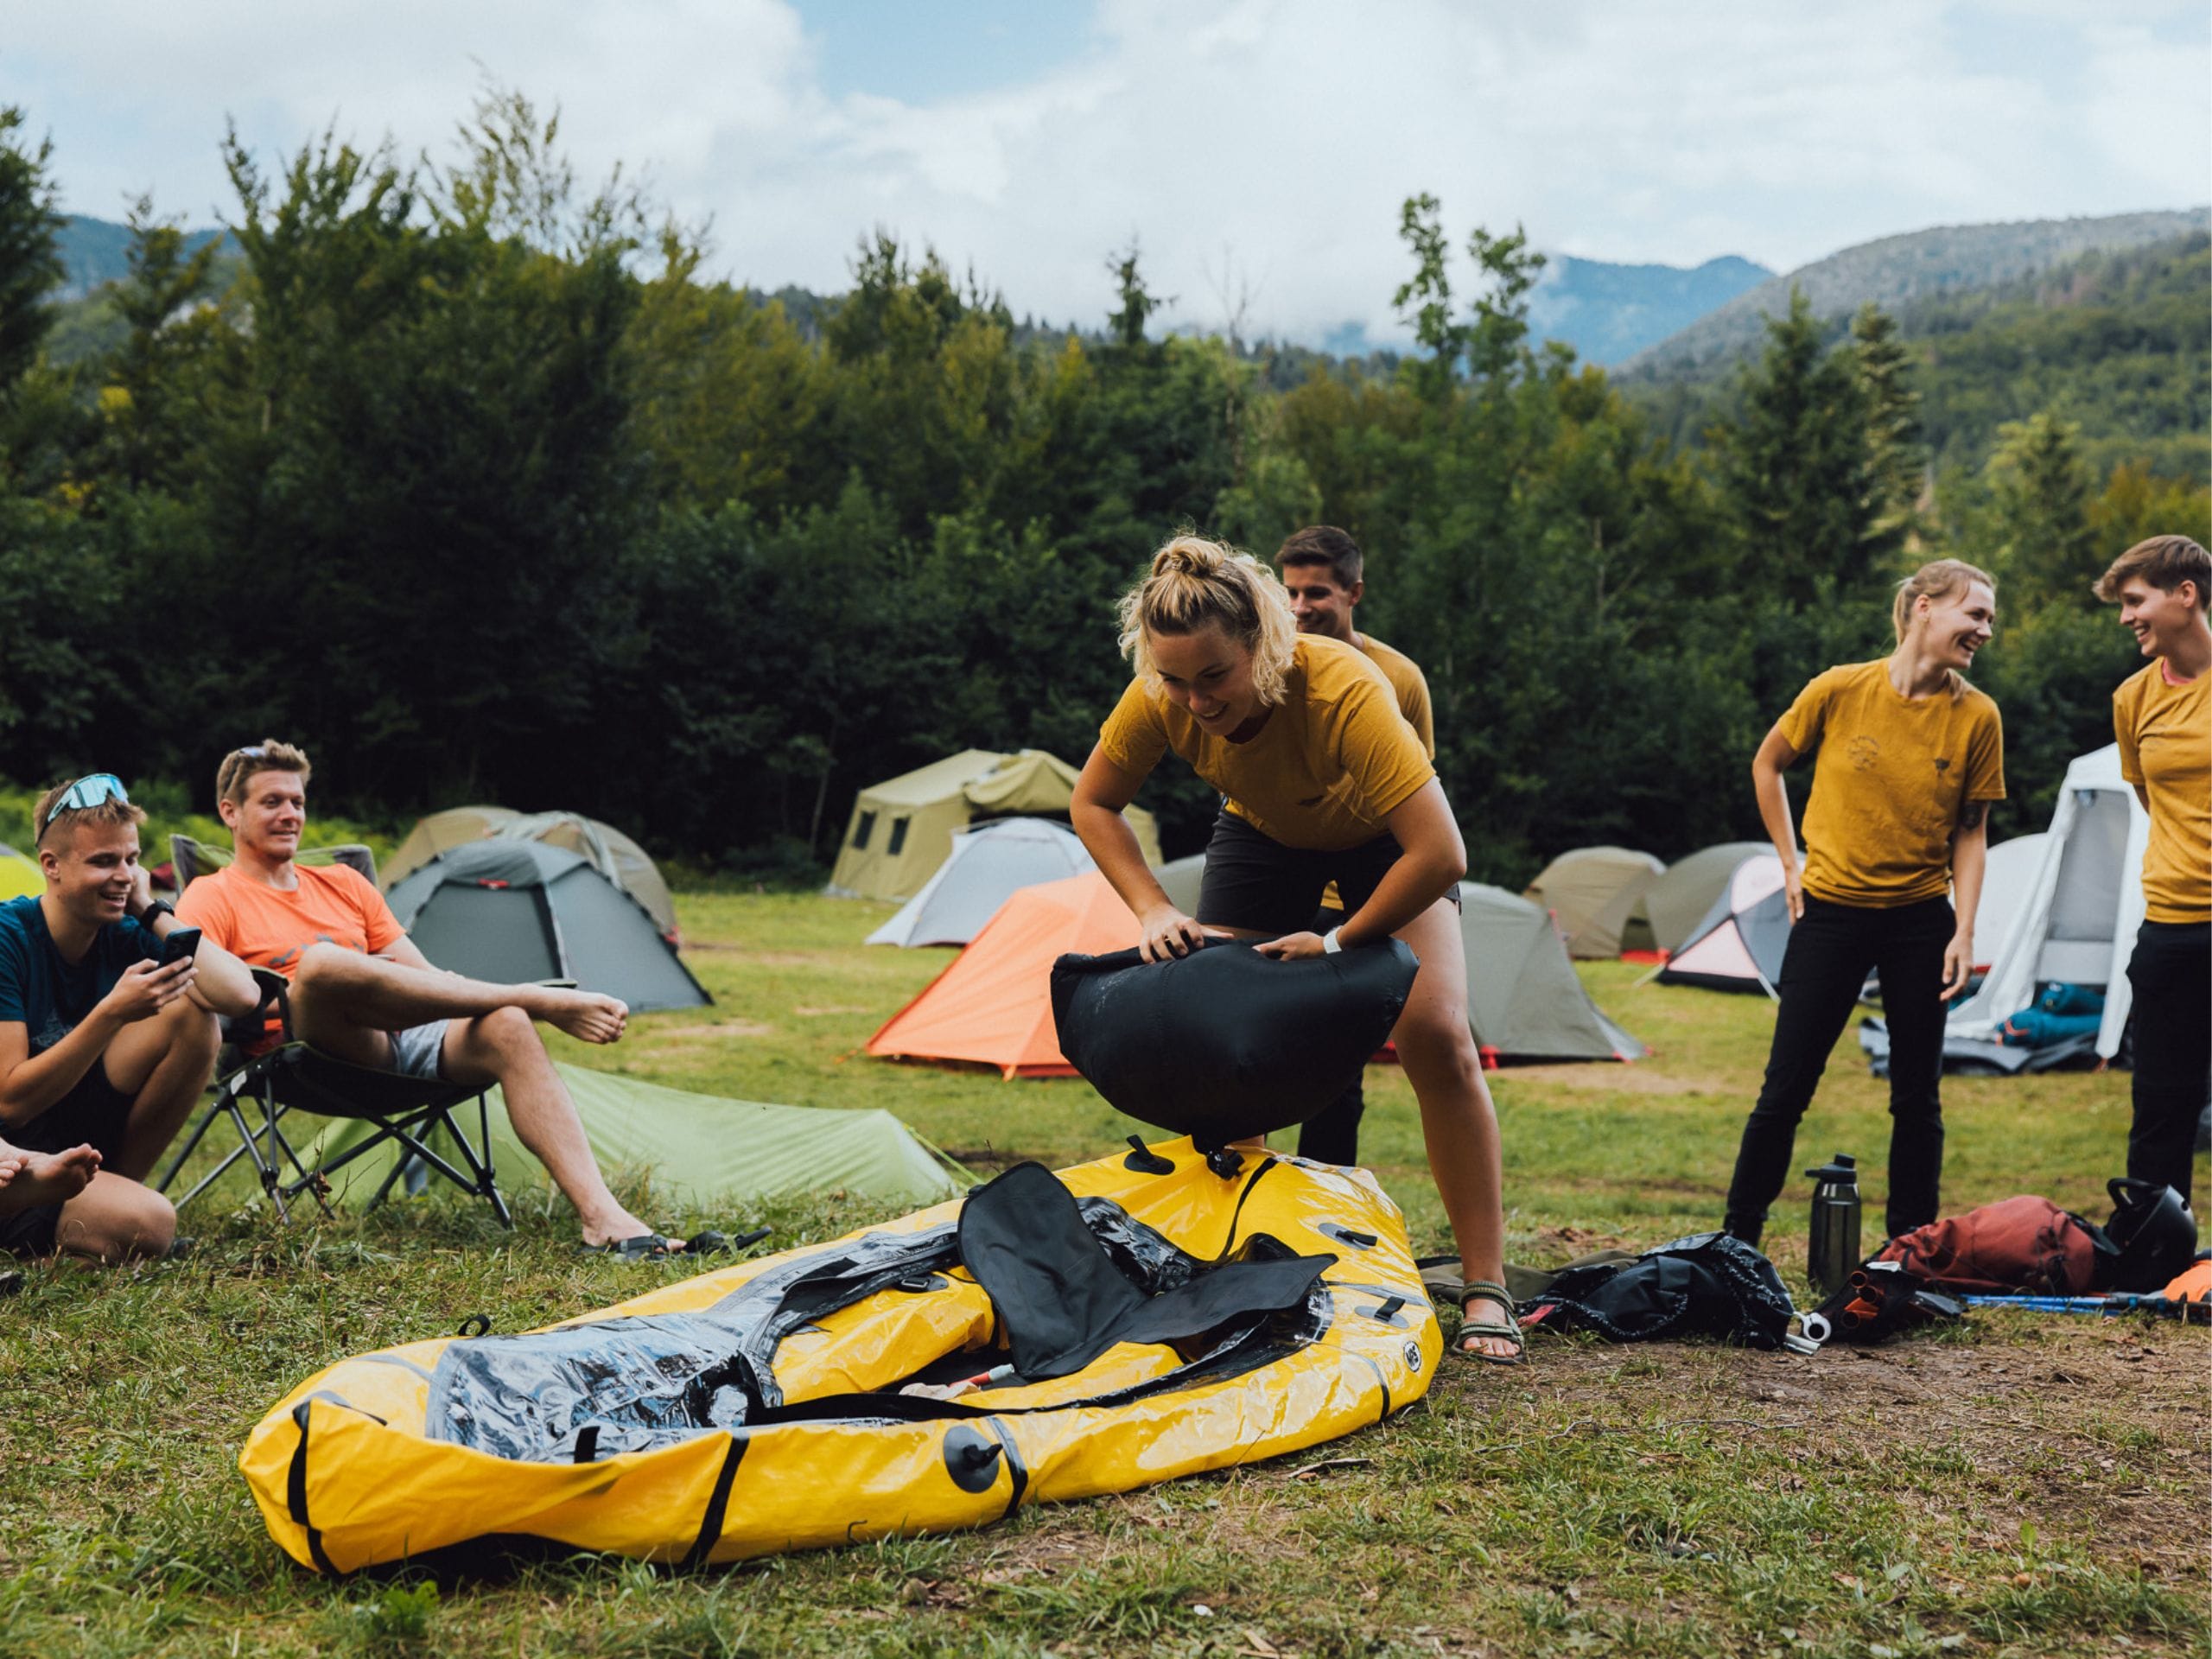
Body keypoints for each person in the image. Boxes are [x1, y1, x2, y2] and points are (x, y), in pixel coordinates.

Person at [1069, 535, 1522, 1362]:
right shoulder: (1159, 696)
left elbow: (1441, 853)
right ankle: (1244, 1262)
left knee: (1436, 1034)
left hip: (1386, 843)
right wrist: (1150, 909)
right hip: (1263, 836)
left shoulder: (1348, 688)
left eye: (1215, 677)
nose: (1195, 702)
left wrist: (1345, 940)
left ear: (1262, 646)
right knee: (1229, 1040)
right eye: (1174, 680)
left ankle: (1487, 1286)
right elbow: (1093, 802)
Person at [175, 741, 714, 1257]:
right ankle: (535, 997)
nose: (290, 814)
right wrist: (334, 980)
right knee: (321, 964)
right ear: (230, 812)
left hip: (402, 1036)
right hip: (307, 1053)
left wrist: (374, 982)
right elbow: (212, 997)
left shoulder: (344, 883)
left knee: (505, 1024)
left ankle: (604, 1218)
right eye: (272, 802)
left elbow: (426, 979)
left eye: (297, 802)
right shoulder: (211, 895)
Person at [1721, 560, 2005, 1247]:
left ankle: (1909, 1248)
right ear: (1923, 608)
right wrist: (1789, 864)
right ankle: (1736, 1241)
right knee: (1784, 1089)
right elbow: (1768, 764)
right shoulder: (1839, 689)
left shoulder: (1977, 716)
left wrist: (1964, 929)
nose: (1986, 630)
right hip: (1831, 914)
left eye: (1991, 619)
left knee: (1917, 1099)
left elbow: (1972, 831)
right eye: (1975, 615)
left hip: (1919, 922)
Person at [0, 774, 262, 1262]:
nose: (122, 874)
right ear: (51, 866)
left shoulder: (124, 927)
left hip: (77, 1136)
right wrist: (111, 1014)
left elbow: (241, 995)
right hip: (12, 1149)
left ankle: (111, 1189)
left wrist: (149, 905)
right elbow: (12, 1102)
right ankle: (36, 1214)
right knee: (152, 1225)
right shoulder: (8, 936)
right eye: (103, 861)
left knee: (193, 1014)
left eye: (131, 859)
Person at [1275, 525, 1435, 1167]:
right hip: (1286, 883)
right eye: (1289, 593)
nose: (1300, 608)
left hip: (1364, 900)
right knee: (1254, 1042)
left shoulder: (1399, 679)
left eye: (1316, 592)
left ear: (1354, 593)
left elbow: (1420, 808)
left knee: (1338, 1067)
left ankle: (1327, 1198)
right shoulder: (1264, 664)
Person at [2094, 535, 2210, 1210]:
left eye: (2136, 600)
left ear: (2185, 594)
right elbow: (2152, 800)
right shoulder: (2134, 698)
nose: (2125, 617)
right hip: (2170, 926)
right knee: (2162, 1104)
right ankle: (2153, 1253)